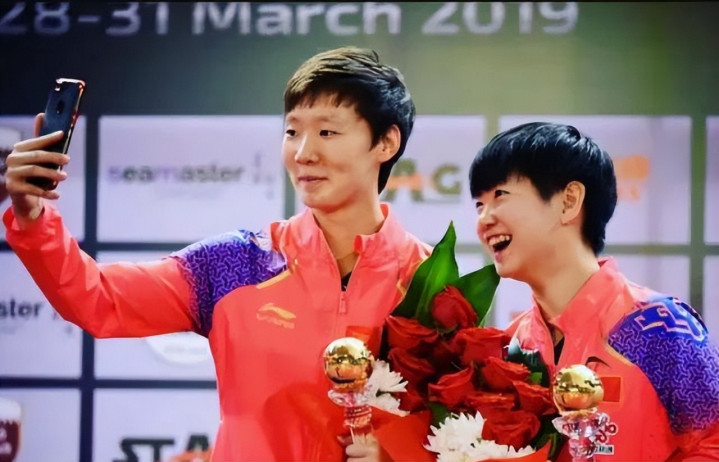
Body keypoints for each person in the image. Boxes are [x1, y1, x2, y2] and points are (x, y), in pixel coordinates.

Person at [3, 46, 430, 462]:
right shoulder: (236, 263)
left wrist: (397, 455)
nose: (303, 153)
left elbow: (454, 434)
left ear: (385, 142)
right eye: (292, 132)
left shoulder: (433, 284)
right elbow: (98, 297)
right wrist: (33, 215)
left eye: (327, 132)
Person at [468, 121, 719, 461]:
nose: (484, 220)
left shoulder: (659, 328)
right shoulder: (510, 347)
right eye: (479, 205)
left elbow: (712, 442)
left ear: (569, 201)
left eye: (500, 195)